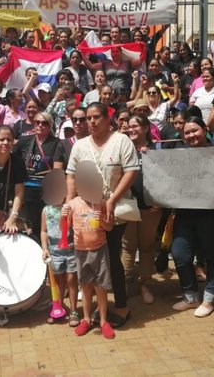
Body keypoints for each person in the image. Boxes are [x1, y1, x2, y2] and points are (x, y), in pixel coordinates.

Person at [66, 102, 139, 328]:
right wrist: (70, 203)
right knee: (90, 259)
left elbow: (131, 170)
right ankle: (97, 308)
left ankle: (121, 305)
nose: (92, 122)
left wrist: (113, 199)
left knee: (111, 257)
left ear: (108, 119)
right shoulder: (80, 146)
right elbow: (70, 175)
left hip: (112, 212)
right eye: (88, 118)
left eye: (97, 117)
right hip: (86, 212)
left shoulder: (121, 142)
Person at [171, 116, 214, 317]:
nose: (191, 135)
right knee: (180, 253)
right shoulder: (178, 155)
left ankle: (210, 298)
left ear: (205, 130)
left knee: (213, 256)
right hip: (185, 215)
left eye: (195, 130)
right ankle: (190, 297)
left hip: (213, 215)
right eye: (187, 132)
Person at [63, 170, 115, 339]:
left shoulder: (102, 203)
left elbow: (109, 227)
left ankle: (103, 321)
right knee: (85, 286)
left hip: (100, 249)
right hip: (81, 251)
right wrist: (62, 218)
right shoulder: (72, 204)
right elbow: (63, 229)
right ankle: (86, 318)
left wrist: (102, 220)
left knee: (101, 287)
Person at [121, 115, 162, 304]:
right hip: (127, 205)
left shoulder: (157, 149)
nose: (131, 129)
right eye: (129, 126)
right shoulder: (122, 147)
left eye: (135, 125)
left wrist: (160, 200)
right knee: (127, 247)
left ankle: (145, 284)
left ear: (146, 128)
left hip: (150, 207)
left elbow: (166, 178)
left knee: (146, 247)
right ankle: (125, 284)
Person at [13, 113, 65, 238]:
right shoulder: (24, 141)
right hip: (28, 189)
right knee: (32, 225)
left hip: (47, 189)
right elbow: (14, 161)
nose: (40, 125)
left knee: (49, 222)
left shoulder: (57, 143)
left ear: (50, 125)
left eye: (44, 123)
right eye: (37, 122)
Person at [40, 176, 78, 327]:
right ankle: (58, 308)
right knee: (57, 281)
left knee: (71, 280)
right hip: (54, 251)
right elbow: (43, 231)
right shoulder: (46, 210)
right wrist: (44, 248)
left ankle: (74, 310)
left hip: (70, 249)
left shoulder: (69, 208)